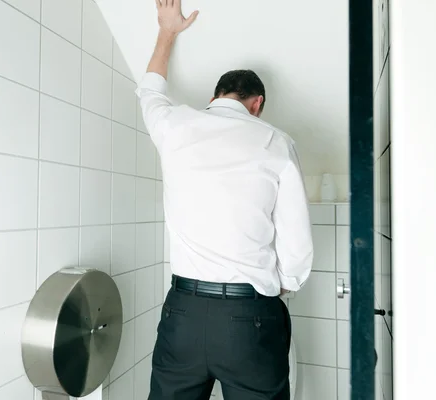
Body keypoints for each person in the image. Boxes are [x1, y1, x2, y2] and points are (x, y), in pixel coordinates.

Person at [136, 1, 314, 399]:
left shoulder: (176, 125)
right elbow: (297, 248)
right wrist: (277, 288)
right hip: (249, 317)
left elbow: (149, 90)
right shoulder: (277, 143)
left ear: (216, 95)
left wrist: (168, 31)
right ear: (257, 105)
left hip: (182, 312)